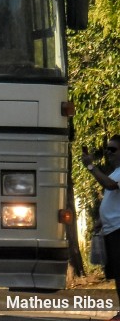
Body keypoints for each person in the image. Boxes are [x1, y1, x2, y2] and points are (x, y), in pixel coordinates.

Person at [82, 134, 120, 321]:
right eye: (107, 149)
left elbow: (111, 186)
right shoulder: (115, 172)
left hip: (119, 230)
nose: (108, 152)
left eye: (112, 149)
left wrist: (90, 166)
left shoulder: (116, 175)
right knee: (116, 275)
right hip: (111, 229)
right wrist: (99, 220)